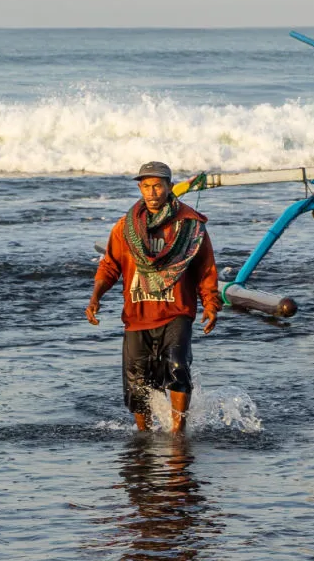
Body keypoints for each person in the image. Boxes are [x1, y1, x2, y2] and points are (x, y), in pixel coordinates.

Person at [87, 161, 221, 434]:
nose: (152, 192)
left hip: (176, 310)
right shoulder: (125, 227)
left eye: (158, 186)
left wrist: (210, 304)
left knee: (177, 367)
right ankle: (143, 434)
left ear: (170, 187)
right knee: (137, 383)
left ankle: (177, 433)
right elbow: (110, 265)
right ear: (140, 188)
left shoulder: (191, 226)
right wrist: (95, 297)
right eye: (146, 186)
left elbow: (205, 268)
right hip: (137, 315)